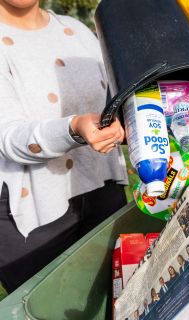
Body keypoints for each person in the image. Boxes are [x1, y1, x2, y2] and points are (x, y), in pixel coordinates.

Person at [0, 0, 128, 292]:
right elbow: (9, 136)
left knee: (115, 298)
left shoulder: (76, 30)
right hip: (31, 211)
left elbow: (113, 96)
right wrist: (73, 128)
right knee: (49, 305)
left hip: (101, 188)